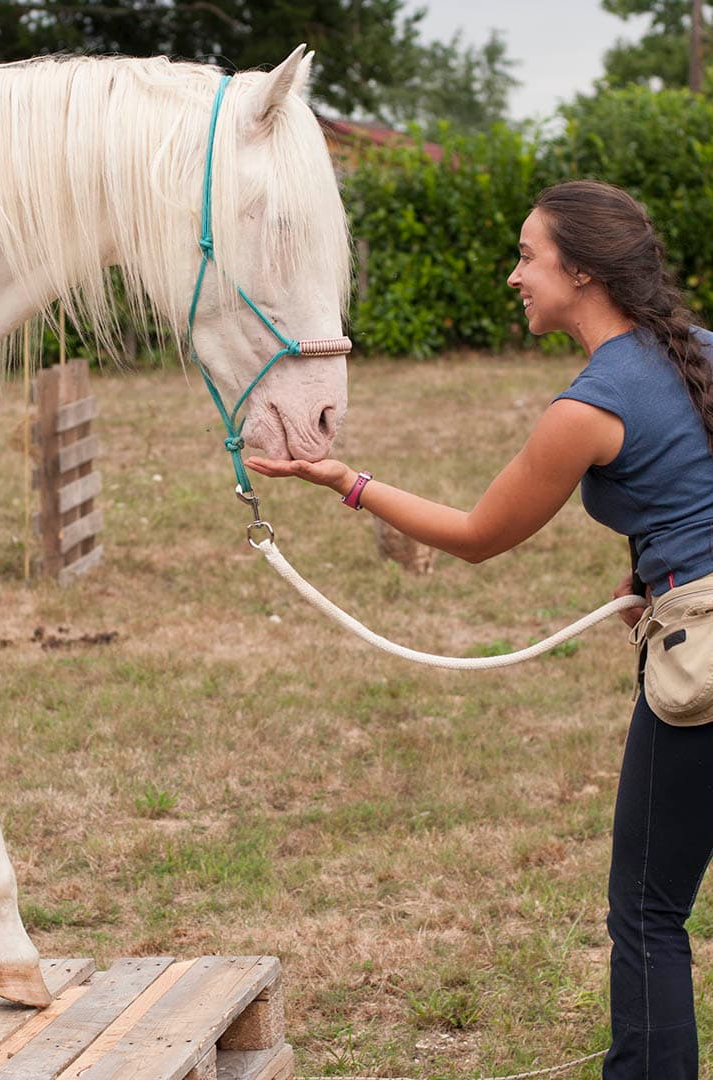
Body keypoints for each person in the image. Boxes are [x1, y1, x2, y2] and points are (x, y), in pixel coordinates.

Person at [246, 179, 713, 1079]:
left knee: (649, 915)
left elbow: (476, 538)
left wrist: (343, 482)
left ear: (581, 271)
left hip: (702, 677)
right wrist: (657, 564)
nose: (513, 275)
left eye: (528, 256)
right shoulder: (700, 350)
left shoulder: (586, 409)